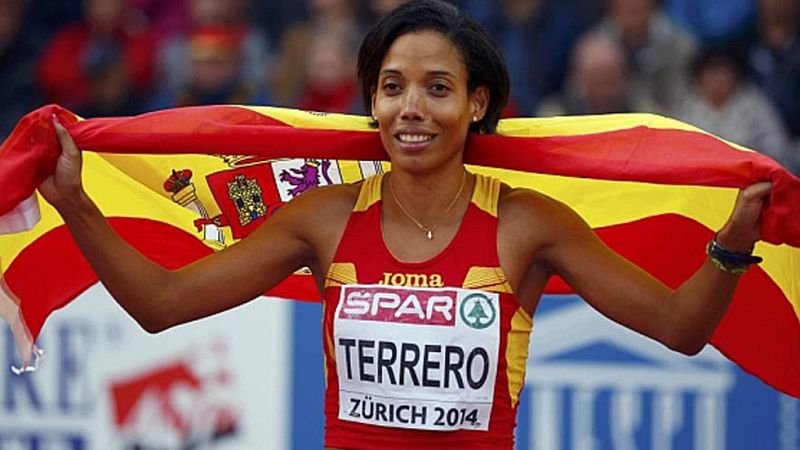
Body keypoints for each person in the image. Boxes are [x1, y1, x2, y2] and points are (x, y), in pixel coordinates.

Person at [39, 1, 770, 448]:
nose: (411, 108)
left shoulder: (526, 223)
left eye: (437, 88)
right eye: (392, 87)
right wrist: (75, 202)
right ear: (372, 103)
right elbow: (163, 303)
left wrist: (733, 247)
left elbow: (678, 327)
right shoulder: (325, 218)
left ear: (478, 103)